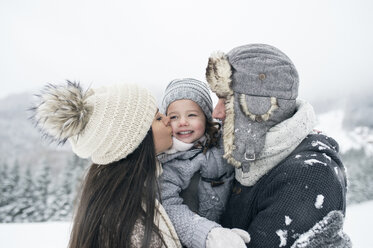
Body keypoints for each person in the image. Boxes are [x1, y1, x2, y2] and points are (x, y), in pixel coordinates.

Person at [205, 44, 351, 247]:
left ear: (258, 107)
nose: (217, 112)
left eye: (226, 101)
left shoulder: (308, 176)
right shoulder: (246, 154)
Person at [31, 81, 182, 248]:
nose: (168, 120)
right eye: (158, 118)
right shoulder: (128, 223)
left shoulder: (129, 196)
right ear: (134, 141)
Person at [158, 78, 250, 248]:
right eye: (174, 117)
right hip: (195, 236)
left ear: (206, 117)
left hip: (230, 226)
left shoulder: (223, 140)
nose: (183, 122)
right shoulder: (170, 159)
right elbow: (168, 204)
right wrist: (206, 233)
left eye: (191, 115)